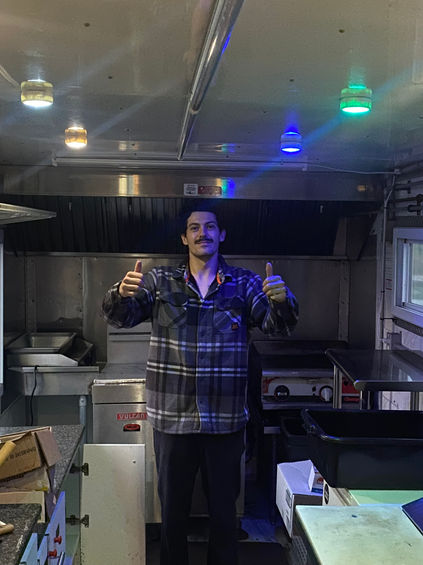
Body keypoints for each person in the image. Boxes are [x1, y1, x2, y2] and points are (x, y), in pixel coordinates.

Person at [102, 205, 298, 565]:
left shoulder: (244, 283)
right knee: (172, 514)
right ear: (184, 237)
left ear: (221, 234)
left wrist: (282, 301)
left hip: (225, 422)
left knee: (224, 516)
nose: (202, 233)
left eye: (210, 226)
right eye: (194, 227)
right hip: (172, 419)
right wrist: (120, 294)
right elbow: (121, 318)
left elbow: (276, 325)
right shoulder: (160, 281)